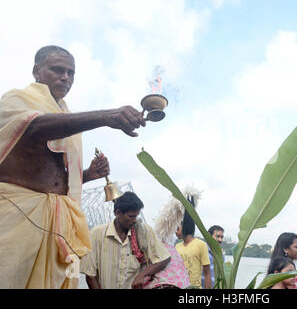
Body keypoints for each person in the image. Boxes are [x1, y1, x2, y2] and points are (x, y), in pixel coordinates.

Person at [0, 45, 146, 288]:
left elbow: (56, 177)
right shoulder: (16, 99)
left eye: (71, 73)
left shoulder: (65, 115)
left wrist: (88, 174)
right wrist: (105, 117)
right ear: (37, 71)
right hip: (18, 216)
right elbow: (34, 129)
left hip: (57, 223)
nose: (65, 77)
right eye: (57, 70)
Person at [80, 191, 170, 289]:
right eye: (131, 216)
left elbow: (164, 258)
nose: (135, 220)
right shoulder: (97, 234)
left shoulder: (143, 231)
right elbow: (90, 275)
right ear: (117, 213)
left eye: (136, 216)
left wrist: (142, 275)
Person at [147, 189, 192, 289]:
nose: (176, 231)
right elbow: (166, 219)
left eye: (178, 227)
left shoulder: (167, 244)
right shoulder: (161, 242)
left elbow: (167, 219)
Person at [175, 193, 211, 289]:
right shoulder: (177, 246)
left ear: (184, 225)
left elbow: (207, 273)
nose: (175, 232)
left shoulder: (201, 245)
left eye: (178, 228)